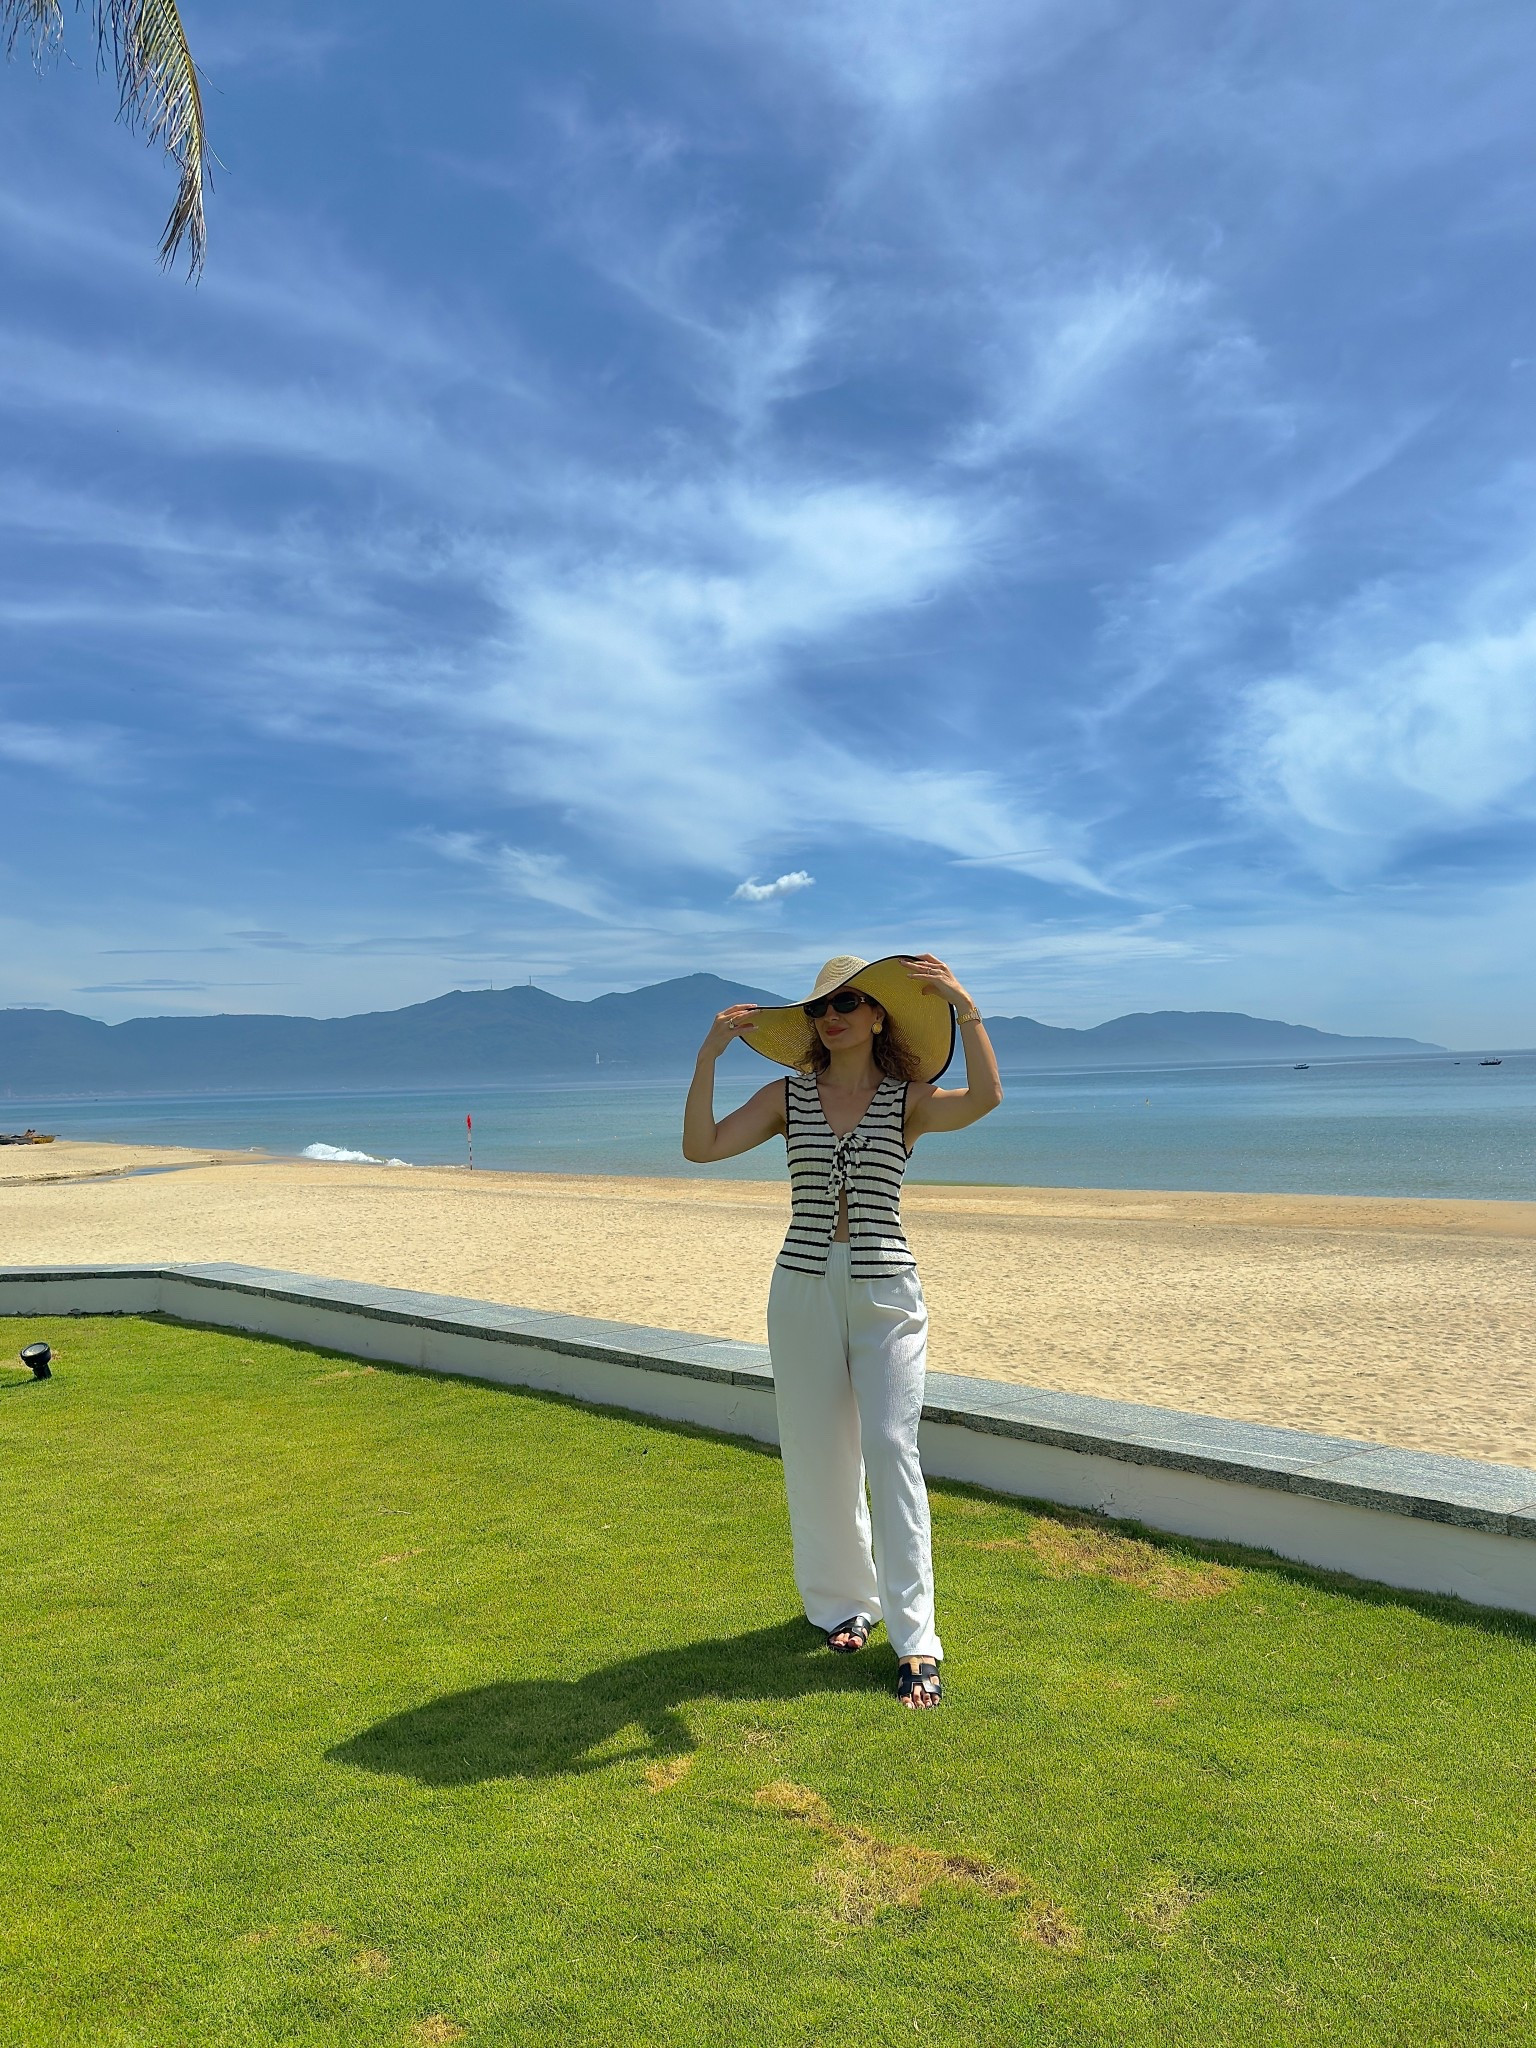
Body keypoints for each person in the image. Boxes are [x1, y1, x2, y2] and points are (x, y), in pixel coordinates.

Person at [682, 952, 1004, 1709]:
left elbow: (987, 1097)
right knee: (818, 1451)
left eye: (849, 1003)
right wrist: (707, 1058)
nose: (832, 1017)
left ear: (878, 1015)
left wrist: (966, 1007)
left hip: (887, 1288)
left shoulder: (909, 1100)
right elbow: (701, 1147)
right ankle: (841, 1605)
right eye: (821, 1008)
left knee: (891, 1445)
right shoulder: (787, 1096)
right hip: (799, 1286)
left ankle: (916, 1639)